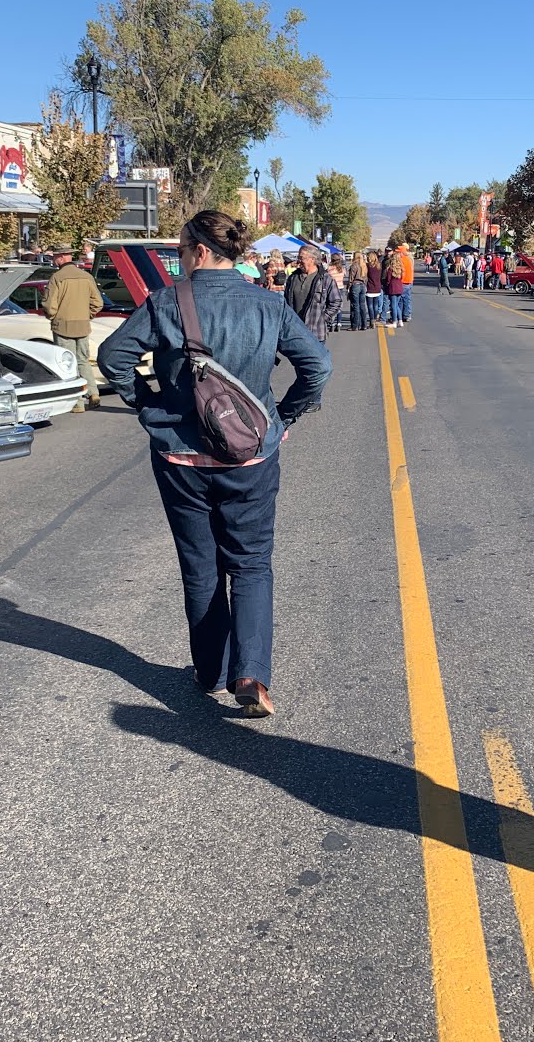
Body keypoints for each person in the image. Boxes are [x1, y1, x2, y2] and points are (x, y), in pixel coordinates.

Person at [98, 210, 332, 718]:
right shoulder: (268, 304)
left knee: (199, 564)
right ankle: (250, 674)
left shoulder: (165, 303)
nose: (179, 258)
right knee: (251, 562)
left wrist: (149, 405)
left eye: (181, 249)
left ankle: (209, 670)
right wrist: (281, 417)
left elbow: (113, 357)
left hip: (181, 457)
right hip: (251, 455)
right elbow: (318, 366)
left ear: (200, 251)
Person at [42, 247, 103, 411]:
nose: (53, 260)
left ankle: (77, 402)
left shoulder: (57, 277)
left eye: (55, 257)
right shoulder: (86, 276)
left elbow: (49, 305)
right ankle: (93, 392)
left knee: (68, 364)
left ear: (62, 257)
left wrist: (52, 316)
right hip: (83, 325)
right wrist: (86, 315)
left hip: (63, 326)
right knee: (83, 360)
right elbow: (98, 303)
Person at [284, 245, 332, 342]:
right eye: (298, 257)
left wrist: (323, 318)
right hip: (295, 331)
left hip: (316, 333)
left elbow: (336, 302)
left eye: (301, 258)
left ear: (312, 259)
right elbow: (285, 300)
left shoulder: (325, 278)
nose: (298, 261)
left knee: (316, 353)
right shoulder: (293, 278)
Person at [382, 250, 407, 327]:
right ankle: (400, 320)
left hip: (392, 288)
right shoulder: (401, 268)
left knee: (393, 305)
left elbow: (388, 279)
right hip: (400, 287)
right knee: (397, 305)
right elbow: (402, 277)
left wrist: (386, 285)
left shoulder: (390, 268)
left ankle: (394, 321)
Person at [347, 252, 371, 330]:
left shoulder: (354, 266)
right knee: (362, 305)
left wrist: (348, 287)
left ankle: (355, 325)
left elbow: (351, 278)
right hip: (363, 285)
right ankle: (364, 325)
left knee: (355, 306)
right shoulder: (364, 266)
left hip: (355, 285)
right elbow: (366, 278)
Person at [365, 250, 385, 325]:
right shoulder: (379, 266)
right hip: (377, 287)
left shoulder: (368, 266)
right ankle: (375, 317)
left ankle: (372, 319)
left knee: (370, 305)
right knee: (376, 305)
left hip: (369, 287)